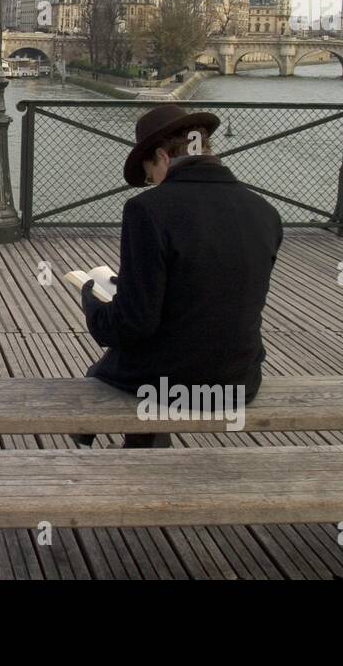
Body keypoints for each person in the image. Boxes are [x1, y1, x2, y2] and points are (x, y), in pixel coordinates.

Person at [75, 105, 283, 448]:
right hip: (238, 381)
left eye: (148, 175)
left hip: (171, 382)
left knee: (106, 373)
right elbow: (215, 287)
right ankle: (143, 449)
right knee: (136, 366)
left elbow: (135, 324)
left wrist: (93, 308)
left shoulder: (147, 210)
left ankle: (102, 445)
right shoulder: (265, 211)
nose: (151, 184)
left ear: (161, 157)